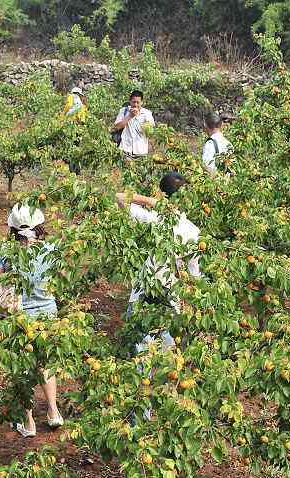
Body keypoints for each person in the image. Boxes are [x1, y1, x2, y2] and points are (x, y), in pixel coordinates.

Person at [0, 203, 64, 438]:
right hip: (47, 314)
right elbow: (62, 277)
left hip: (18, 317)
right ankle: (53, 411)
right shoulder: (50, 248)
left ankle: (28, 421)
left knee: (21, 366)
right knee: (45, 363)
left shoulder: (5, 250)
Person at [115, 173, 201, 351]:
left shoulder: (154, 219)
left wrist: (153, 202)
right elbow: (195, 274)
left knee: (140, 338)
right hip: (171, 290)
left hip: (146, 286)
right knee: (167, 344)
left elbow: (119, 197)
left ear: (163, 195)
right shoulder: (193, 231)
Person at [112, 90, 155, 158]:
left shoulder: (147, 113)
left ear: (142, 102)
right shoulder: (124, 111)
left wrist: (147, 127)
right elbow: (116, 127)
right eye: (133, 102)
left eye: (138, 102)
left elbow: (151, 130)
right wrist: (130, 116)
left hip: (141, 151)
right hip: (125, 150)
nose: (135, 105)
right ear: (130, 101)